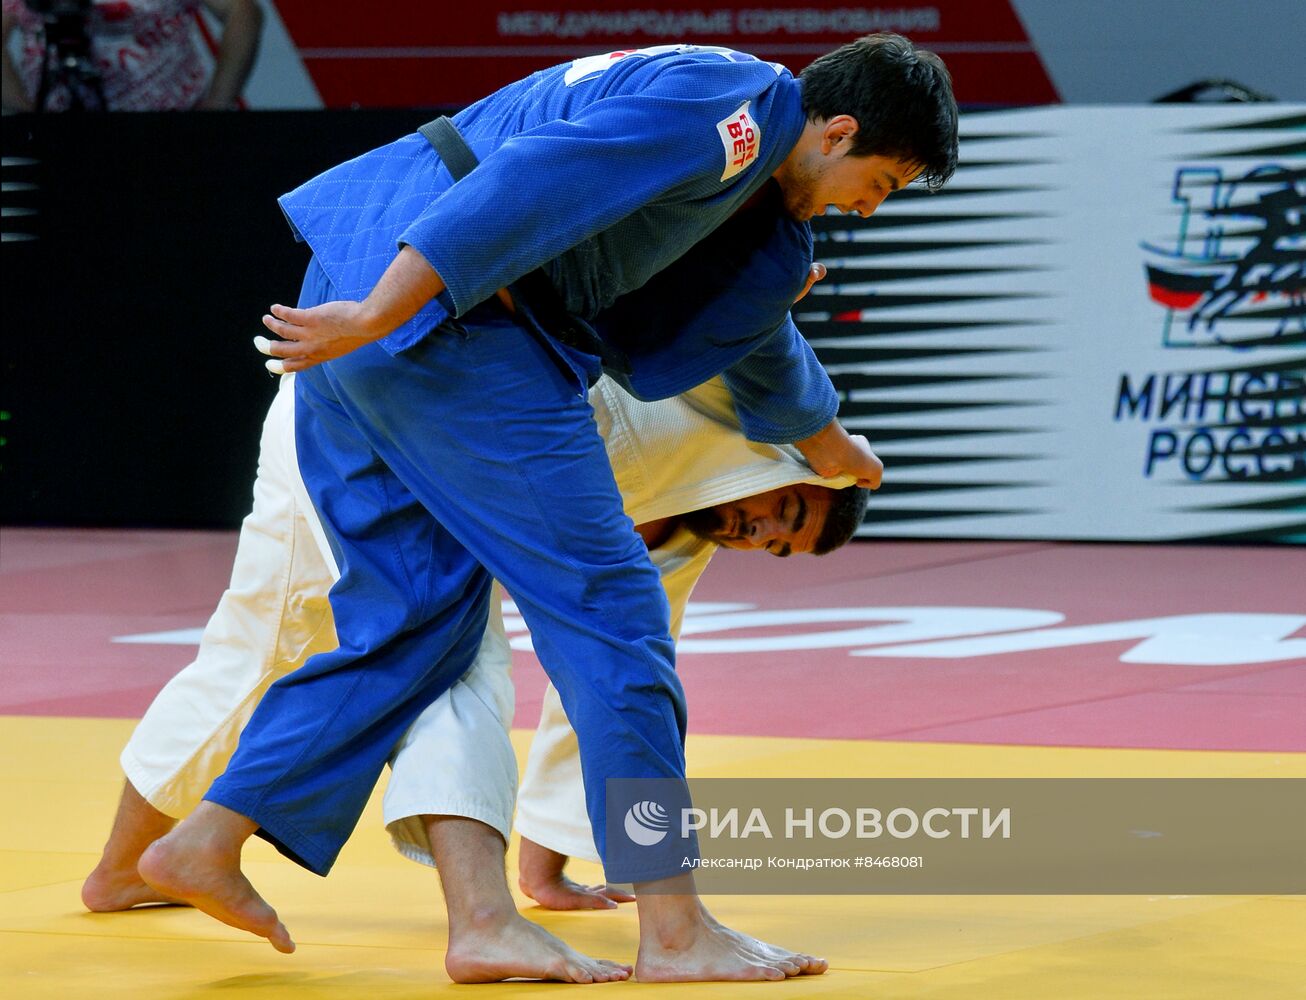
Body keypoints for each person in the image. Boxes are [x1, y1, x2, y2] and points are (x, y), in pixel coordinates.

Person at [139, 33, 957, 983]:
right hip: (447, 315)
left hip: (373, 279)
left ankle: (208, 836)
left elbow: (758, 330)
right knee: (615, 616)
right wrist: (384, 311)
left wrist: (829, 447)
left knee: (415, 621)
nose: (868, 207)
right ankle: (678, 931)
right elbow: (537, 175)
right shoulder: (733, 109)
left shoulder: (750, 176)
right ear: (839, 129)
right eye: (883, 182)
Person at [84, 365, 867, 981]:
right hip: (363, 422)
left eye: (774, 548)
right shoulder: (719, 406)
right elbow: (732, 317)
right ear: (794, 460)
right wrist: (793, 326)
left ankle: (132, 869)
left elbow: (614, 690)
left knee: (422, 656)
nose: (757, 531)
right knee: (308, 647)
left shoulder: (679, 544)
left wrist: (549, 850)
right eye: (787, 512)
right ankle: (478, 922)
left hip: (425, 453)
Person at [1, 0, 262, 112]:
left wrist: (217, 106)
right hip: (58, 132)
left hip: (171, 131)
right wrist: (22, 108)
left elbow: (243, 12)